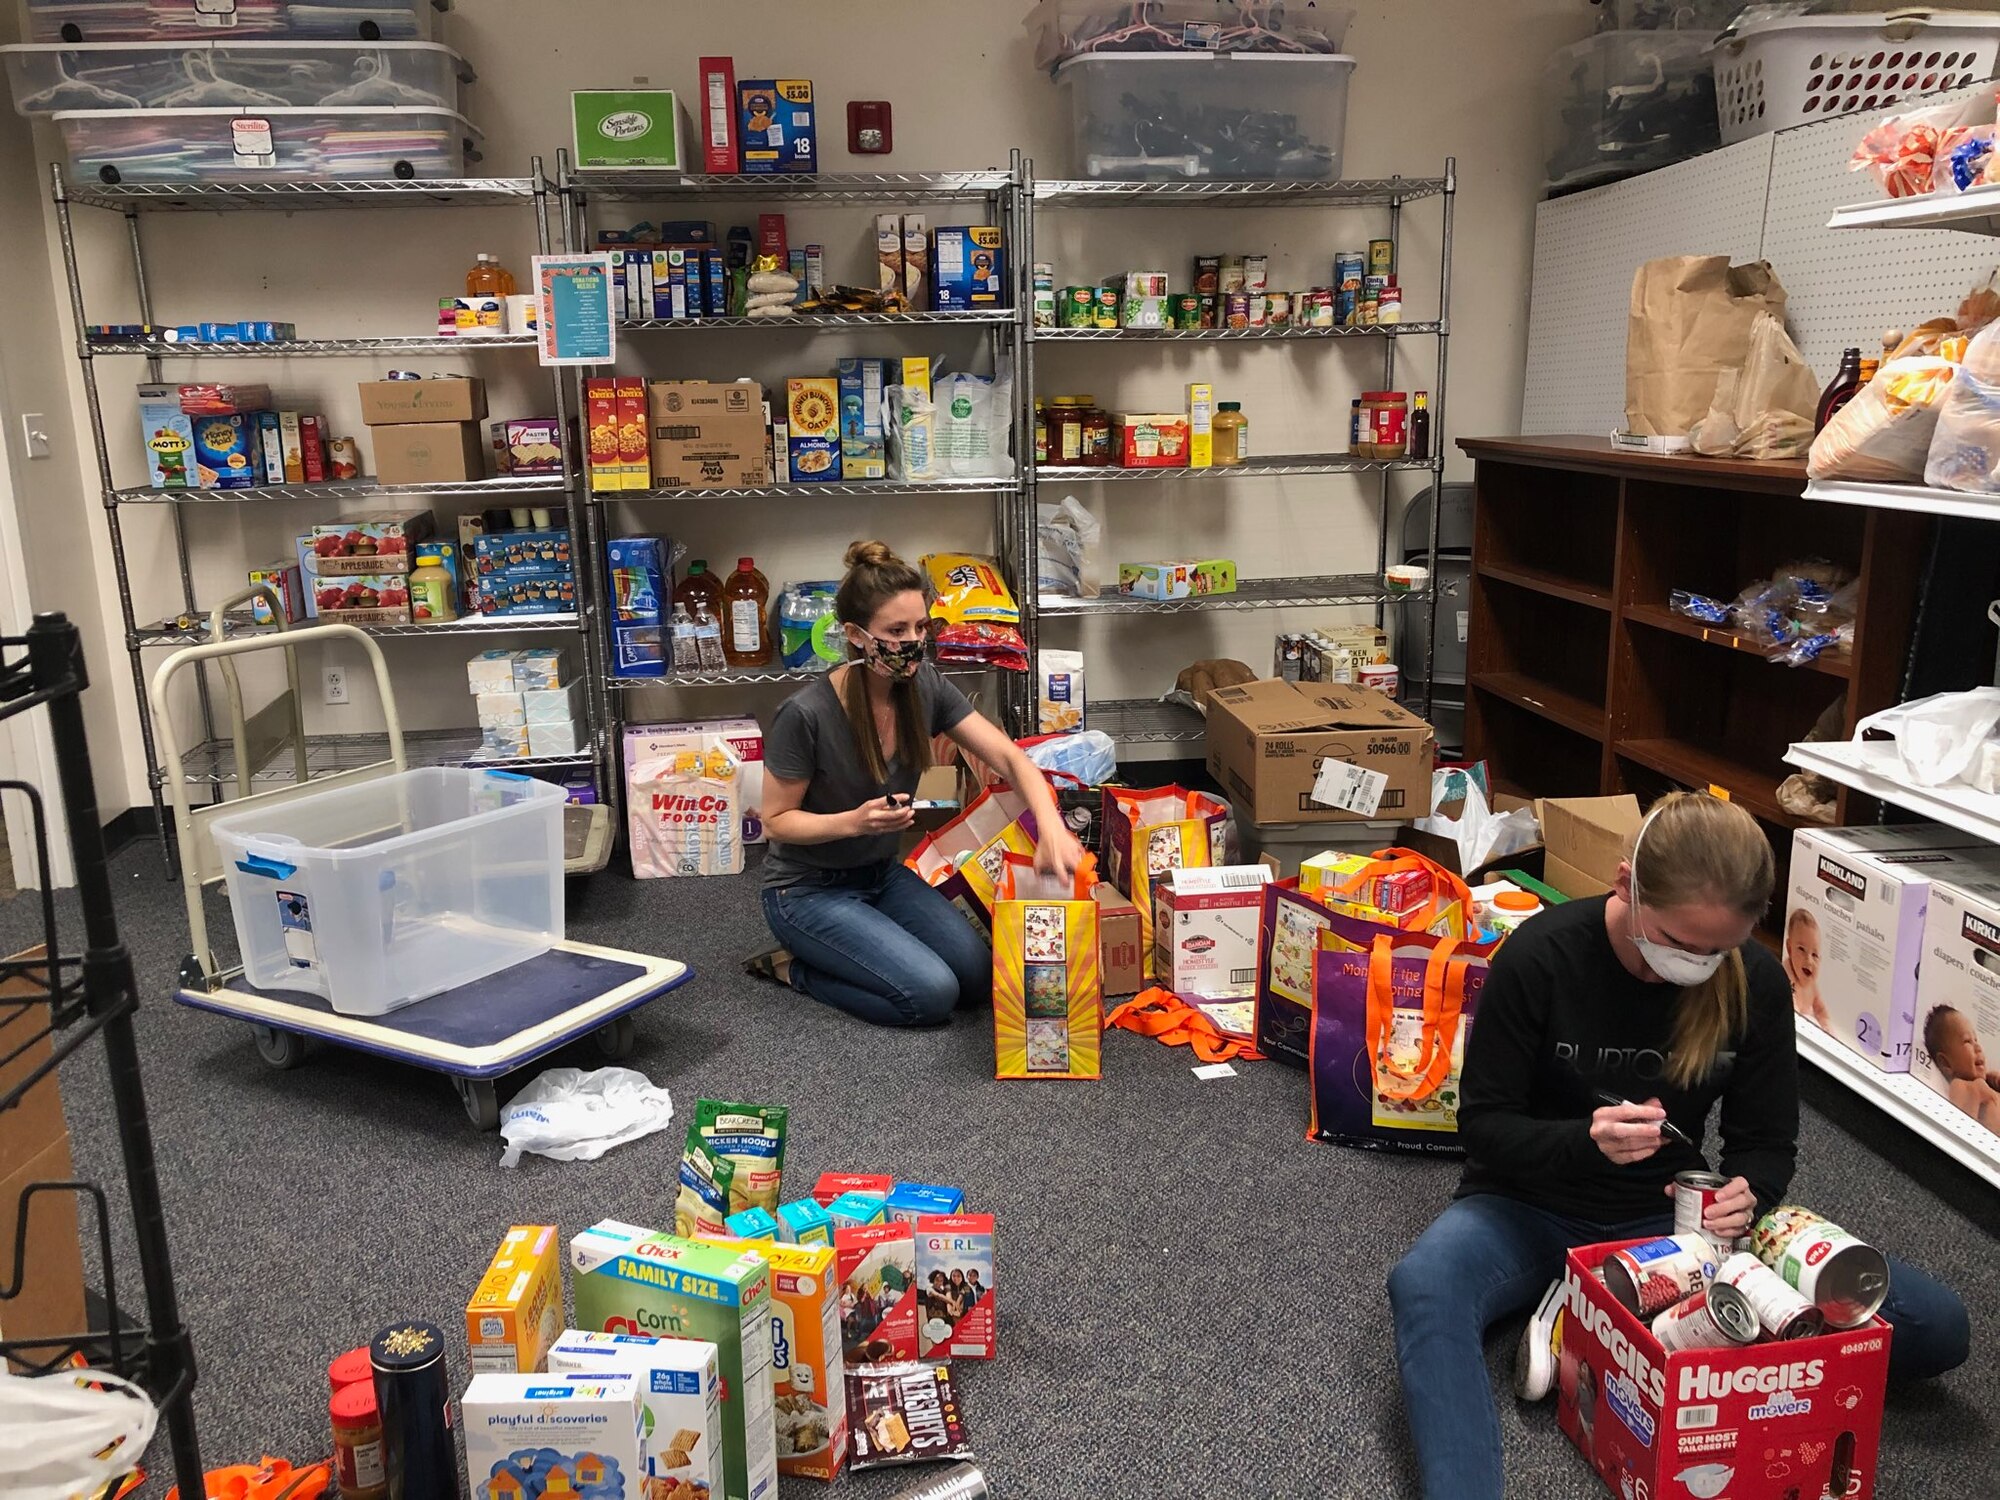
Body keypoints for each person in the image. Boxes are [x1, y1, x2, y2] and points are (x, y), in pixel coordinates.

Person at [1386, 791, 1972, 1500]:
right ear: (1625, 884)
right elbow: (1483, 1128)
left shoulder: (1752, 980)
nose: (1694, 963)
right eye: (1676, 941)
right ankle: (1614, 1325)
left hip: (1677, 1222)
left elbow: (1765, 1141)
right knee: (1426, 1286)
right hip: (1527, 1202)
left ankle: (1595, 1317)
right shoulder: (1541, 956)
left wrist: (1748, 1194)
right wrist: (1585, 1141)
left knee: (1934, 1326)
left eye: (1715, 949)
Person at [750, 540, 1083, 1028]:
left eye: (921, 626)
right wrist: (853, 822)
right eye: (896, 630)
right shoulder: (806, 714)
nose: (912, 640)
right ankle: (794, 969)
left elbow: (1010, 758)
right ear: (856, 635)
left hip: (881, 875)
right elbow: (776, 823)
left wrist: (1052, 826)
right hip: (806, 891)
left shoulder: (923, 685)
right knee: (930, 996)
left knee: (975, 979)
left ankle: (860, 947)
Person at [1922, 1003, 2000, 1128]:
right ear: (1945, 1063)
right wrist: (1979, 1088)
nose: (1978, 1047)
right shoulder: (1959, 1086)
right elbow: (1964, 1126)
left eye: (1976, 1040)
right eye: (1967, 1041)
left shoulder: (1988, 1083)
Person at [1783, 904, 1830, 1029]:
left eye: (1815, 955)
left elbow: (1821, 1010)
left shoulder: (1812, 985)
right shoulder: (1788, 975)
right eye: (1801, 949)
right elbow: (1790, 1010)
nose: (1808, 960)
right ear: (1789, 948)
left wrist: (1827, 1028)